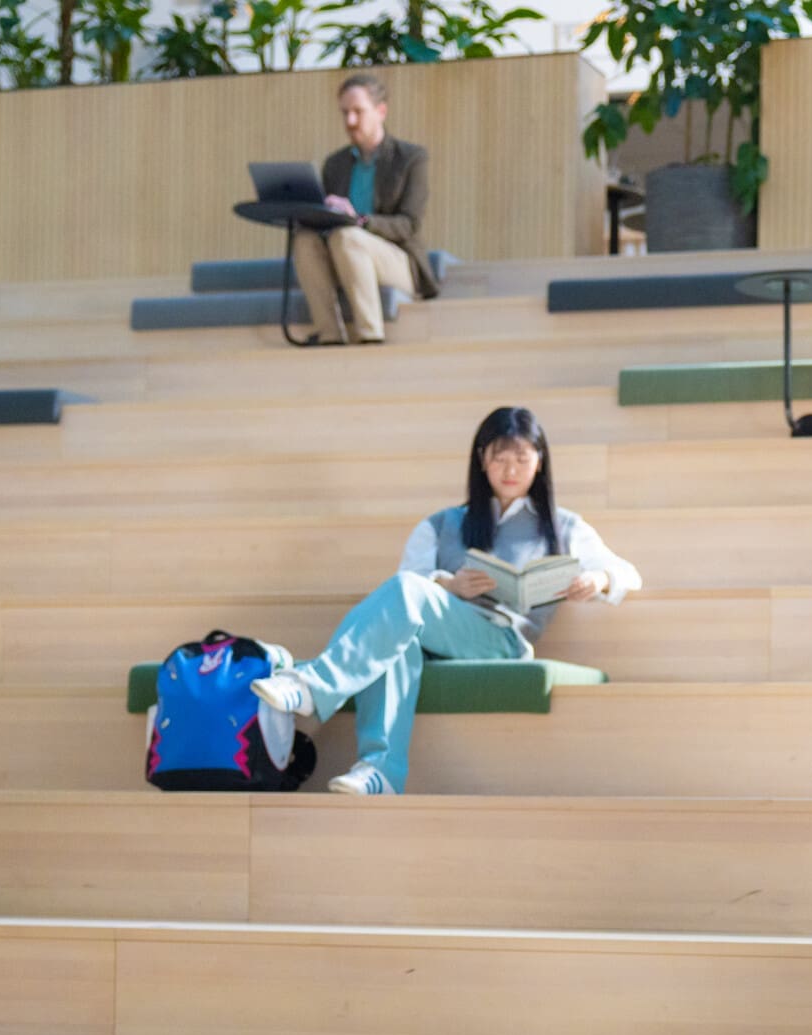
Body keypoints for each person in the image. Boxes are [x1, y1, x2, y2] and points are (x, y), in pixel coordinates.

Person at [253, 406, 640, 795]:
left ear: (540, 461)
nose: (511, 469)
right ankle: (379, 772)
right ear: (481, 460)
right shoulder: (442, 524)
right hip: (438, 633)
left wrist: (599, 578)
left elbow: (626, 573)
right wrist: (449, 586)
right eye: (500, 458)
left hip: (502, 641)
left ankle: (313, 684)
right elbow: (406, 587)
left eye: (522, 458)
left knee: (406, 595)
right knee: (396, 635)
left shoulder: (563, 525)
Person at [294, 72, 439, 346]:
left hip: (396, 260)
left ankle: (370, 336)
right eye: (345, 113)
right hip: (343, 254)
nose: (350, 121)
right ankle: (330, 336)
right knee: (304, 241)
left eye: (358, 112)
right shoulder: (334, 164)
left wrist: (359, 221)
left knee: (347, 237)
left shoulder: (410, 158)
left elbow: (408, 224)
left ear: (381, 111)